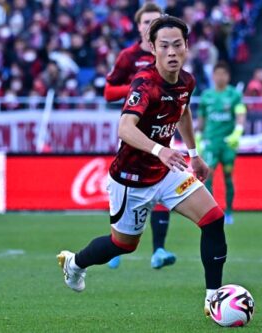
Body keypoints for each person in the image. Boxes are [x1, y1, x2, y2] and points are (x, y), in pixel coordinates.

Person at [58, 15, 227, 317]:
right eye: (165, 46)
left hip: (167, 172)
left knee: (213, 218)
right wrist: (159, 149)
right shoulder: (145, 83)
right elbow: (124, 128)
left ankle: (214, 300)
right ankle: (75, 263)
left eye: (178, 45)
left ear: (187, 46)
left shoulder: (186, 81)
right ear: (152, 48)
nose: (172, 52)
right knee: (122, 244)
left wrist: (194, 153)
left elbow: (183, 111)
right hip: (131, 179)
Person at [103, 3, 176, 270]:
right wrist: (138, 89)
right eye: (146, 22)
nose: (149, 26)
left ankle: (159, 250)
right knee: (126, 188)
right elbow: (108, 92)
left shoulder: (171, 54)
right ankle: (115, 245)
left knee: (161, 187)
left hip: (163, 133)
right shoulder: (129, 56)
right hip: (133, 133)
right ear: (138, 26)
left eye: (155, 21)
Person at [196, 62, 247, 225]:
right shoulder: (206, 96)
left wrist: (238, 131)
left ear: (228, 76)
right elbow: (201, 119)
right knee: (208, 175)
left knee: (227, 176)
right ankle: (212, 211)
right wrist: (197, 137)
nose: (220, 77)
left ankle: (230, 211)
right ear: (213, 76)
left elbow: (240, 114)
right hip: (211, 142)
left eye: (223, 74)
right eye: (217, 74)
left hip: (227, 144)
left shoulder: (234, 95)